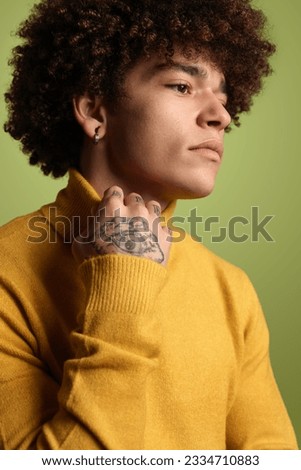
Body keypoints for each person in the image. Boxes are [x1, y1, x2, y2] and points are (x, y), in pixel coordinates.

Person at [0, 0, 298, 450]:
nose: (221, 115)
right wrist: (122, 282)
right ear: (95, 112)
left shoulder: (231, 289)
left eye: (224, 96)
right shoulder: (8, 271)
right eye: (182, 86)